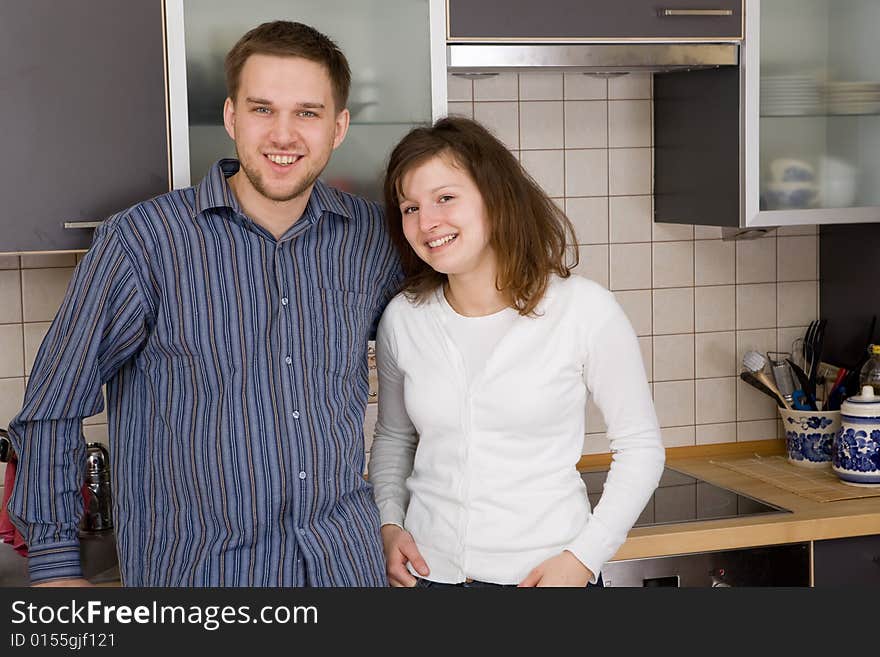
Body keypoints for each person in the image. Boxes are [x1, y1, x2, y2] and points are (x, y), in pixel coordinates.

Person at [6, 21, 401, 587]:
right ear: (231, 117)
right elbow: (54, 401)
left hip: (345, 569)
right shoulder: (143, 243)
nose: (283, 135)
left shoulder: (371, 239)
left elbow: (443, 347)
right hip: (203, 579)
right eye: (263, 109)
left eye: (307, 113)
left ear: (338, 126)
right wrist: (54, 566)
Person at [369, 116, 665, 588]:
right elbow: (393, 439)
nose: (427, 223)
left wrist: (584, 559)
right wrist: (389, 523)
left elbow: (641, 448)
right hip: (429, 576)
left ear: (495, 197)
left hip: (545, 579)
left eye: (445, 198)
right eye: (409, 207)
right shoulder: (404, 318)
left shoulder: (583, 309)